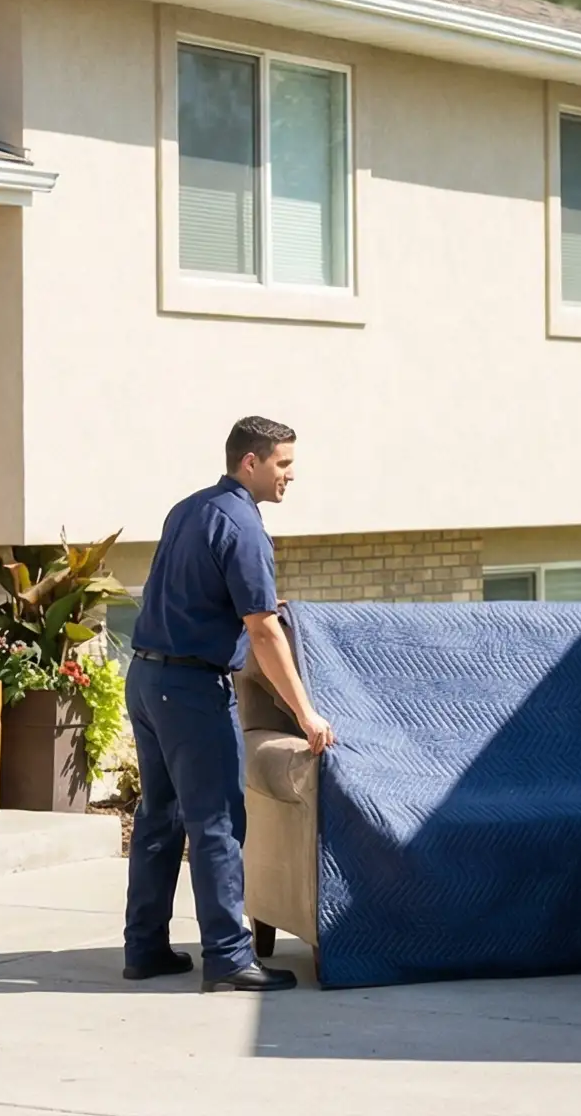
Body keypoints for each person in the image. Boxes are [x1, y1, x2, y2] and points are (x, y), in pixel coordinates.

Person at [121, 415, 332, 990]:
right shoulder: (243, 526)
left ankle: (144, 948)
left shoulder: (191, 507)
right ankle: (229, 958)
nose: (291, 476)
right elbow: (263, 633)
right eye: (283, 464)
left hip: (146, 679)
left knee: (158, 818)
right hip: (191, 691)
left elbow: (199, 591)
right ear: (251, 462)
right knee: (215, 821)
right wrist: (306, 713)